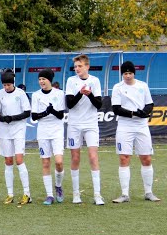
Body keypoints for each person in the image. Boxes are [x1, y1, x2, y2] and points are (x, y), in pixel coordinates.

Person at [111, 60, 160, 203]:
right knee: (124, 158)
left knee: (146, 158)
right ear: (122, 74)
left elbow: (150, 103)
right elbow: (116, 109)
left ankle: (148, 192)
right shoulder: (117, 87)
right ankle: (125, 194)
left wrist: (145, 112)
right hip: (125, 126)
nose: (127, 76)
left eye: (130, 73)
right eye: (125, 73)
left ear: (134, 73)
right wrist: (134, 113)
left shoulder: (142, 85)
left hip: (141, 126)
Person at [65, 54, 104, 205]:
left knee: (93, 157)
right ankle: (76, 194)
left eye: (79, 66)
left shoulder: (95, 81)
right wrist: (80, 93)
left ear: (87, 66)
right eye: (75, 67)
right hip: (74, 125)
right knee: (75, 158)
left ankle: (97, 194)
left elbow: (99, 104)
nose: (77, 69)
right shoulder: (71, 81)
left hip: (91, 124)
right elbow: (70, 104)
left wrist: (90, 94)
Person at [0, 70, 32, 205]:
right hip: (4, 130)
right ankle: (10, 194)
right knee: (8, 161)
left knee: (19, 159)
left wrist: (13, 118)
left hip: (18, 130)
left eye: (8, 85)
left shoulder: (21, 94)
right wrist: (3, 118)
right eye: (4, 85)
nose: (6, 87)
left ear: (13, 83)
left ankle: (27, 193)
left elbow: (27, 112)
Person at [31, 68, 66, 205]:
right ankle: (49, 195)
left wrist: (53, 111)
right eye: (39, 79)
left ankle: (58, 186)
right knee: (45, 163)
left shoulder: (59, 93)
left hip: (56, 130)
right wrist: (45, 113)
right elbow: (34, 116)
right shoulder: (36, 95)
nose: (41, 82)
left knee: (58, 161)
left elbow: (61, 115)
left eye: (44, 79)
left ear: (49, 80)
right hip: (43, 131)